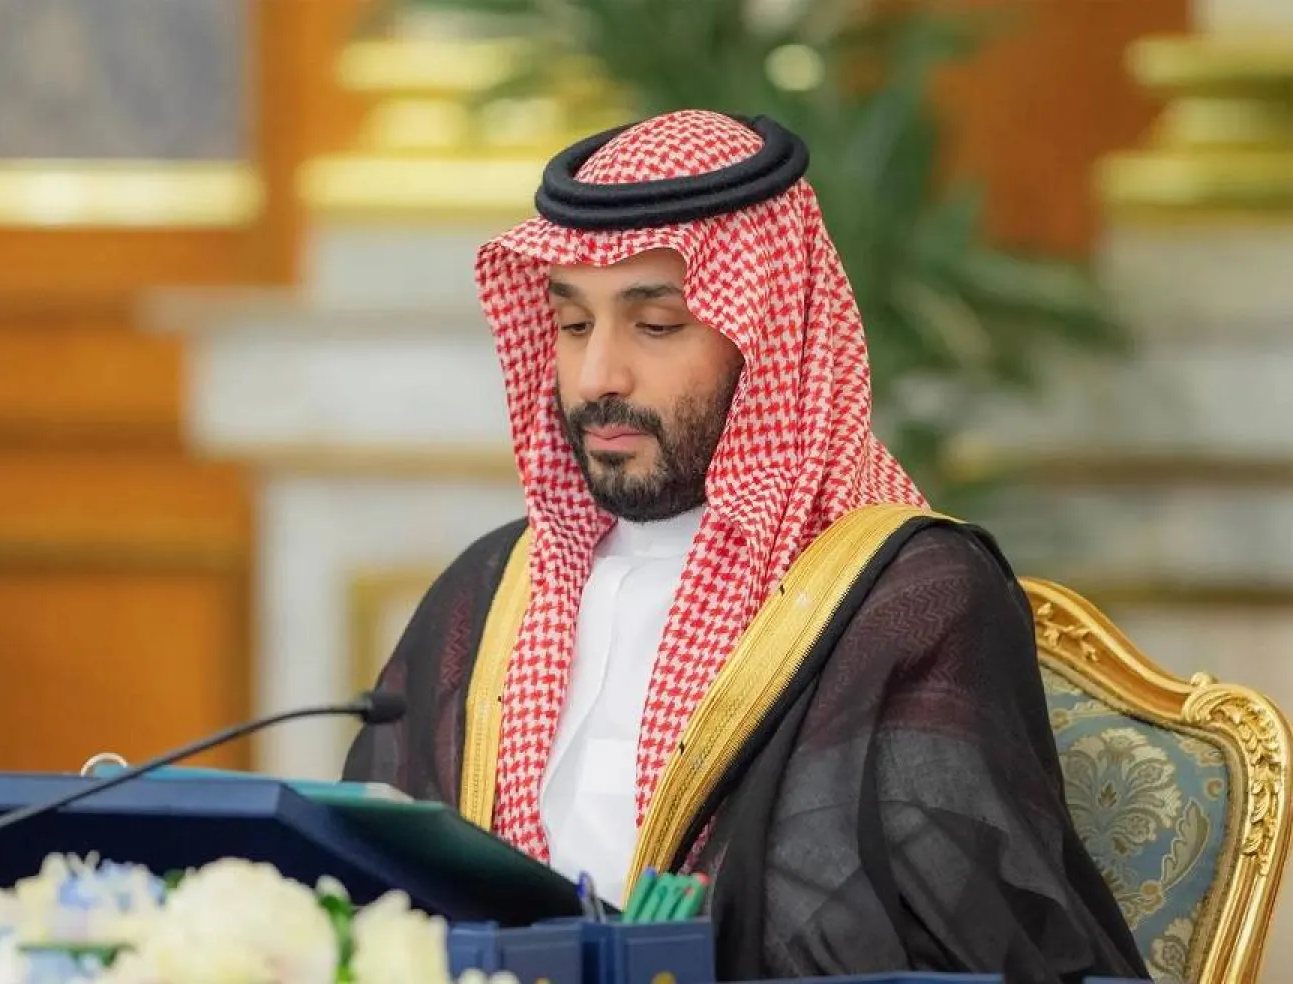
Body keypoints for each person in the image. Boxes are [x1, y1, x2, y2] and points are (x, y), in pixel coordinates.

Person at [343, 109, 1149, 982]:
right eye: (573, 325)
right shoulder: (487, 592)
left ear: (766, 334)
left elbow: (944, 948)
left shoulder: (903, 603)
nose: (597, 376)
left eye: (655, 325)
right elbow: (359, 895)